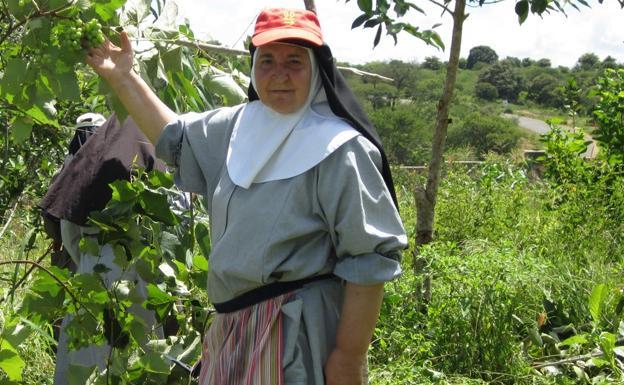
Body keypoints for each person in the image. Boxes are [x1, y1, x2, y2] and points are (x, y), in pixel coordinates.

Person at [86, 7, 407, 385]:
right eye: (267, 60)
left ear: (317, 68)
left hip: (295, 331)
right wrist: (124, 79)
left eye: (294, 61)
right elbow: (175, 139)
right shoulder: (237, 127)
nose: (279, 74)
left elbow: (369, 260)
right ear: (253, 65)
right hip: (232, 328)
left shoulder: (340, 148)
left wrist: (348, 357)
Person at [39, 114, 167, 385]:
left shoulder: (85, 165)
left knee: (87, 356)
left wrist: (85, 260)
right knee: (138, 353)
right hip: (142, 272)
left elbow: (68, 229)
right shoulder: (154, 162)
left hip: (94, 266)